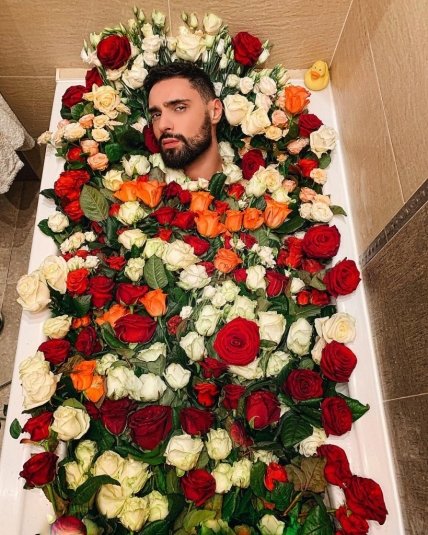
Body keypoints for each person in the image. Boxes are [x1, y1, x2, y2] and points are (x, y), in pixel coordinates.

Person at [144, 62, 223, 181]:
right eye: (156, 115)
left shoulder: (249, 191)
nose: (162, 125)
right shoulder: (136, 191)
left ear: (215, 111)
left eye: (180, 108)